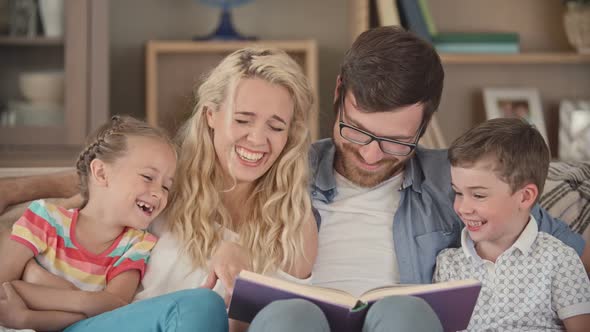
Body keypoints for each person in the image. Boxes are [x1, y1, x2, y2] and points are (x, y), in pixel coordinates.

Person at [248, 26, 589, 331]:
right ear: (339, 92)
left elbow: (572, 256)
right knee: (288, 317)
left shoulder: (457, 180)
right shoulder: (281, 169)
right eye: (356, 131)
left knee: (404, 313)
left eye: (395, 142)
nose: (371, 155)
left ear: (425, 124)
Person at [0, 46, 317, 332]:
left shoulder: (293, 221)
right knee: (200, 304)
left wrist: (242, 276)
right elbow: (99, 183)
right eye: (243, 120)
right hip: (131, 323)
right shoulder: (164, 183)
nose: (258, 139)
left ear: (290, 134)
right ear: (210, 114)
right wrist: (16, 191)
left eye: (276, 127)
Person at [0, 115, 178, 330]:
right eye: (148, 177)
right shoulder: (44, 218)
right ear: (101, 173)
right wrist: (89, 301)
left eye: (167, 186)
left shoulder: (137, 245)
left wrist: (31, 302)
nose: (159, 193)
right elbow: (3, 284)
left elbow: (113, 312)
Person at [434, 118, 590, 331]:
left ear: (525, 197)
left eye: (478, 195)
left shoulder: (558, 259)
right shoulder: (449, 265)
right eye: (458, 192)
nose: (463, 207)